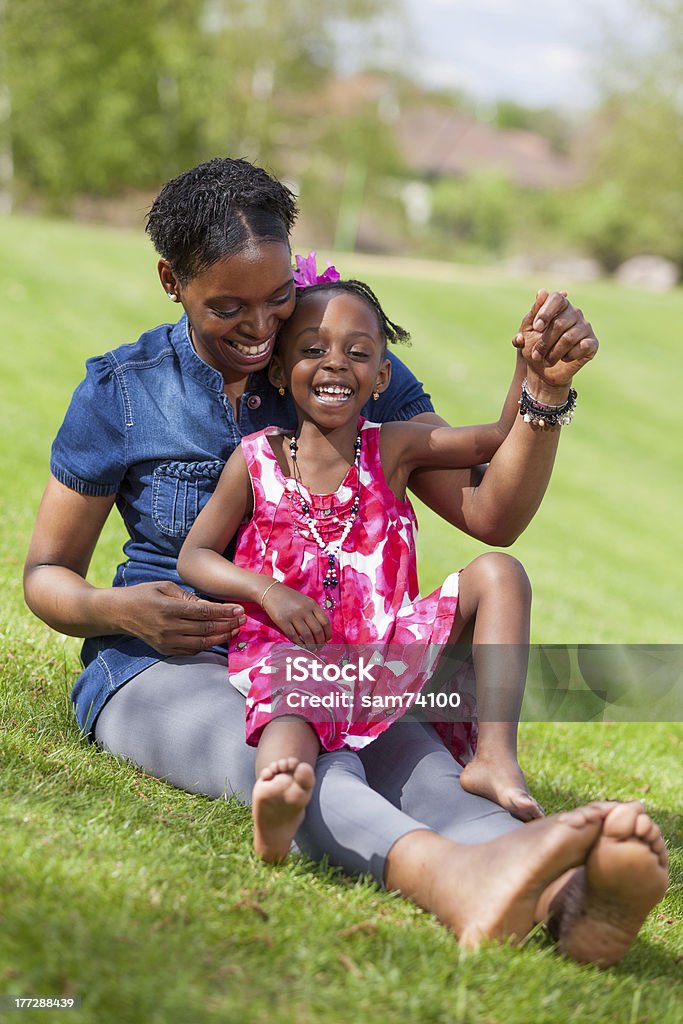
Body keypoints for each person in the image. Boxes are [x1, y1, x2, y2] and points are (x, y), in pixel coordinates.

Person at [23, 156, 668, 964]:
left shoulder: (339, 359)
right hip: (165, 665)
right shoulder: (124, 393)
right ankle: (448, 879)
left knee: (420, 766)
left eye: (276, 297)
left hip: (334, 660)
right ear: (170, 280)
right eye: (228, 307)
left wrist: (538, 395)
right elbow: (44, 575)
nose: (261, 329)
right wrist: (118, 610)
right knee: (288, 761)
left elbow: (489, 514)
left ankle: (568, 900)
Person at [177, 271, 547, 863]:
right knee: (289, 713)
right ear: (279, 370)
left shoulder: (393, 448)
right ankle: (280, 794)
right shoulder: (255, 462)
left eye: (357, 353)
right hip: (288, 653)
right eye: (313, 350)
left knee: (501, 573)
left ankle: (495, 756)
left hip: (383, 657)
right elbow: (194, 557)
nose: (334, 364)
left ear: (381, 377)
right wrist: (268, 591)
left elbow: (497, 439)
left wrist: (531, 368)